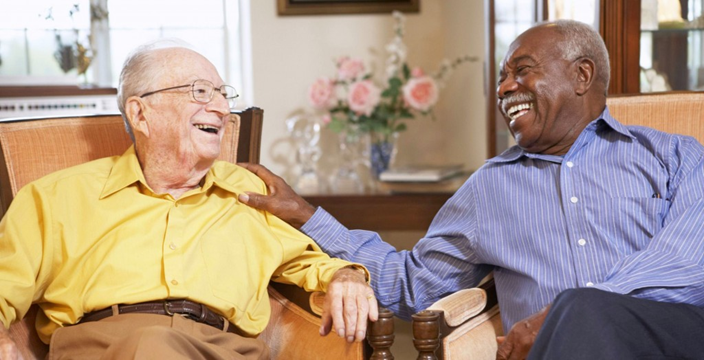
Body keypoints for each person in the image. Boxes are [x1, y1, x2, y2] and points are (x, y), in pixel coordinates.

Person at [237, 20, 704, 359]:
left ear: (582, 76)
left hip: (673, 339)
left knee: (581, 309)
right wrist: (304, 214)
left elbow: (689, 262)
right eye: (502, 78)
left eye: (521, 71)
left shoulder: (676, 156)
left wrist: (559, 315)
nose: (504, 88)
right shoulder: (490, 188)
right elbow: (412, 286)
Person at [0, 41, 377, 359]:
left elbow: (310, 263)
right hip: (108, 346)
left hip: (226, 349)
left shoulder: (247, 192)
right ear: (140, 113)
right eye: (200, 92)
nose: (222, 109)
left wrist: (346, 276)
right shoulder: (55, 197)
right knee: (152, 345)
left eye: (222, 94)